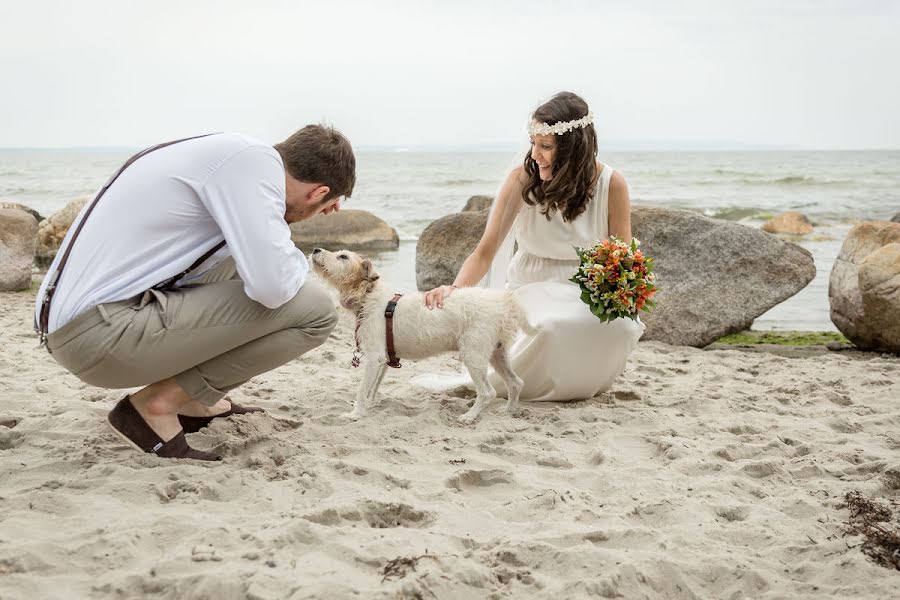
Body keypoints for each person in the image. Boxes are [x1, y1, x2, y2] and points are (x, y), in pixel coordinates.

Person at [34, 126, 355, 460]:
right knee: (316, 311)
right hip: (99, 336)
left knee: (243, 261)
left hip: (82, 324)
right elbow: (273, 287)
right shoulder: (251, 170)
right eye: (326, 205)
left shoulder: (235, 156)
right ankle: (157, 406)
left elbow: (259, 265)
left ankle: (194, 401)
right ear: (319, 193)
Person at [417, 92, 645, 402]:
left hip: (584, 287)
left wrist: (627, 292)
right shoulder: (522, 180)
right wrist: (454, 290)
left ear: (573, 148)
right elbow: (486, 250)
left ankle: (579, 383)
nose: (535, 154)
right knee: (550, 328)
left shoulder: (612, 183)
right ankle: (544, 385)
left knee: (620, 327)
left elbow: (624, 255)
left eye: (546, 146)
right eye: (533, 143)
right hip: (533, 283)